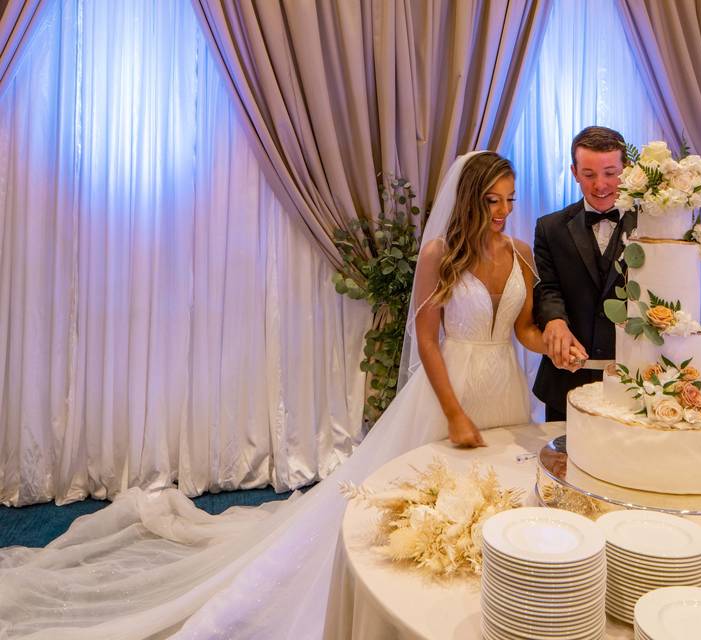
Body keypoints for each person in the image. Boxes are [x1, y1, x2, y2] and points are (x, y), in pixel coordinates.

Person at [0, 151, 581, 639]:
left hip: (502, 385)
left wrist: (553, 342)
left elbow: (523, 329)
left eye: (509, 199)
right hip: (448, 388)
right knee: (424, 497)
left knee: (491, 496)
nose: (504, 212)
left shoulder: (520, 255)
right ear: (469, 200)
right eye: (492, 202)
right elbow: (427, 341)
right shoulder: (438, 256)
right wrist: (453, 412)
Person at [533, 125, 636, 422]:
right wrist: (554, 320)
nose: (600, 185)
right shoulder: (549, 228)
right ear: (574, 171)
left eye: (610, 172)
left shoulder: (654, 225)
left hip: (632, 384)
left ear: (625, 170)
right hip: (565, 381)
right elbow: (548, 287)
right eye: (589, 175)